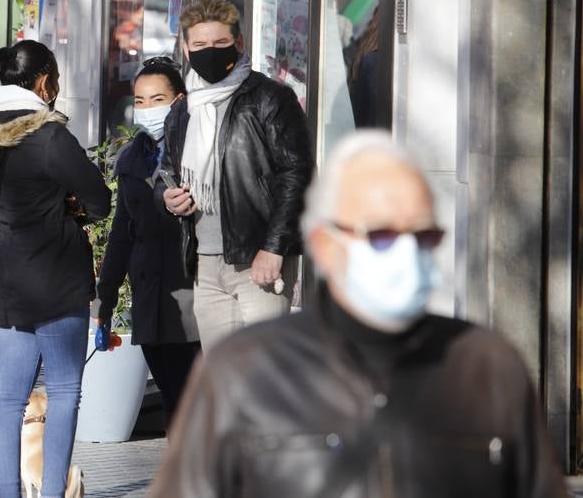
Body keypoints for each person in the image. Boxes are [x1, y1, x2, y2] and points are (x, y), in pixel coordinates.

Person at [150, 131, 570, 498]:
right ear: (325, 242)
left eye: (424, 235)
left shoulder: (486, 366)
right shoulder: (245, 371)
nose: (407, 251)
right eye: (382, 234)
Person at [0, 40, 110, 498]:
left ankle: (9, 493)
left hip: (8, 276)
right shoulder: (48, 136)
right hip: (56, 276)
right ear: (44, 80)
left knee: (9, 397)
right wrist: (70, 205)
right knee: (63, 393)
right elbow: (99, 201)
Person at [157, 0, 312, 350]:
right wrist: (168, 199)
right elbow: (165, 173)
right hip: (205, 263)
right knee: (222, 376)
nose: (209, 51)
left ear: (239, 43)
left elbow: (297, 175)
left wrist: (274, 248)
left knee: (263, 374)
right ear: (184, 46)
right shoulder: (183, 111)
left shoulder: (270, 98)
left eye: (220, 43)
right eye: (199, 44)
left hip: (257, 258)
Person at [95, 57, 200, 425]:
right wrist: (105, 299)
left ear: (180, 99)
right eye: (139, 101)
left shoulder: (197, 151)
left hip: (190, 294)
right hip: (149, 297)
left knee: (194, 401)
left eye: (158, 99)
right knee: (173, 399)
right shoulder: (131, 158)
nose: (147, 109)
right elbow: (122, 234)